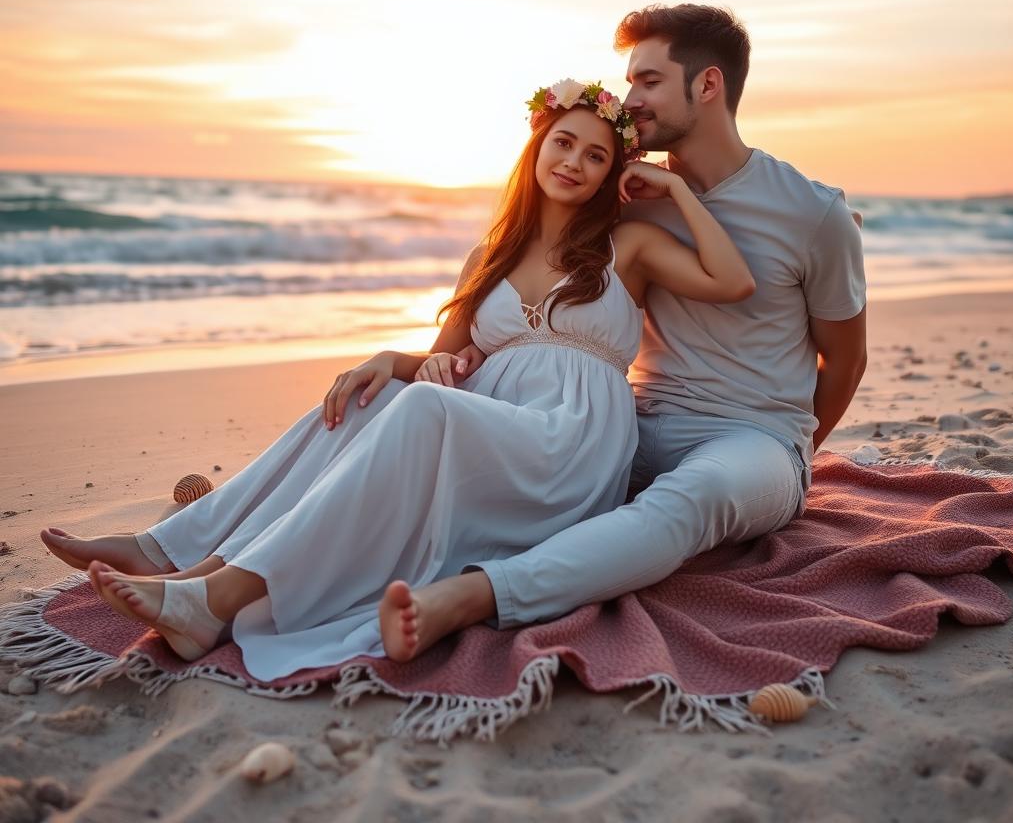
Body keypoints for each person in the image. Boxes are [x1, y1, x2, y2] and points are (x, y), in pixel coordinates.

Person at [39, 77, 754, 679]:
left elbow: (732, 279)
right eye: (562, 143)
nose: (574, 161)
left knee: (419, 411)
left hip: (569, 446)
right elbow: (448, 358)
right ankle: (173, 559)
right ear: (537, 147)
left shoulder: (624, 244)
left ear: (610, 173)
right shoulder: (489, 257)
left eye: (596, 154)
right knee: (368, 401)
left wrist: (670, 190)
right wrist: (389, 359)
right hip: (491, 430)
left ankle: (218, 595)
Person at [374, 4, 868, 664]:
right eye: (629, 81)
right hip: (629, 422)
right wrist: (462, 352)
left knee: (699, 494)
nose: (629, 100)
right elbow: (545, 283)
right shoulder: (626, 197)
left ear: (708, 86)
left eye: (649, 81)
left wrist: (788, 454)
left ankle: (471, 598)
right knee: (453, 434)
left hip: (751, 437)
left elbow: (845, 360)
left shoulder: (813, 213)